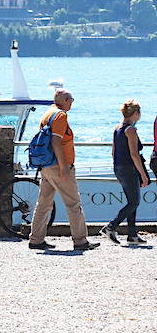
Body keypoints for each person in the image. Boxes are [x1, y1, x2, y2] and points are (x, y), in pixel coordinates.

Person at [29, 89, 99, 251]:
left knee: (44, 204)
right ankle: (80, 240)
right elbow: (56, 142)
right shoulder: (60, 115)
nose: (72, 102)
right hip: (58, 166)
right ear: (66, 100)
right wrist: (64, 167)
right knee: (73, 204)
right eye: (71, 99)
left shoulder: (48, 113)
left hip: (46, 165)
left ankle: (36, 239)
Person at [100, 100, 149, 245]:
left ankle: (132, 235)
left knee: (131, 201)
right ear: (135, 114)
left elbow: (113, 151)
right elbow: (134, 154)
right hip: (129, 168)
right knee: (134, 202)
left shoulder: (117, 128)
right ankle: (111, 226)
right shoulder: (131, 130)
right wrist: (144, 175)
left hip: (119, 167)